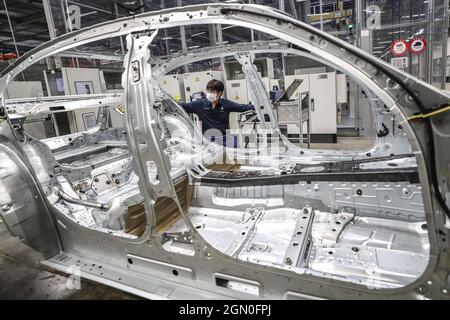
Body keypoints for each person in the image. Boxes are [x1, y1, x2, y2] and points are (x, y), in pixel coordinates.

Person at [180, 79, 254, 146]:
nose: (209, 93)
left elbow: (242, 107)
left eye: (212, 91)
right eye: (208, 90)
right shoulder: (199, 104)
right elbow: (183, 107)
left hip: (225, 137)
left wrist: (259, 107)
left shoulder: (226, 104)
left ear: (219, 93)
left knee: (235, 148)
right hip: (208, 137)